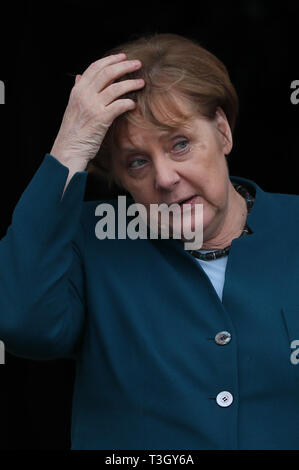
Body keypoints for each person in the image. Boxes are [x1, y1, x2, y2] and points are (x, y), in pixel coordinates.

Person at [0, 32, 299, 450]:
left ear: (223, 132)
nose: (164, 178)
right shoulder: (90, 237)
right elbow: (26, 328)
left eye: (180, 144)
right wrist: (70, 146)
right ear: (120, 179)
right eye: (136, 162)